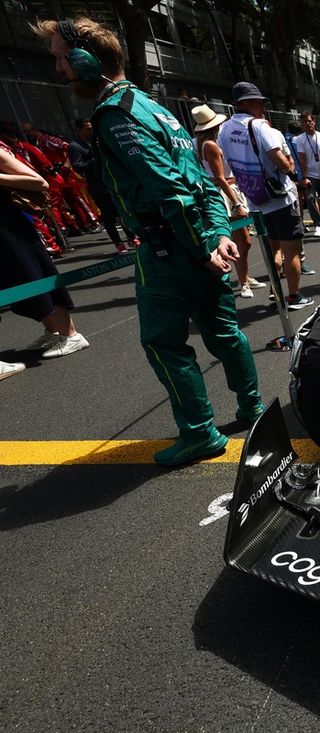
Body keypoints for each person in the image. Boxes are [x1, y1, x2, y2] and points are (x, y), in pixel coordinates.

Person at [34, 17, 263, 467]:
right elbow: (200, 184)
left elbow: (173, 190)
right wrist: (217, 234)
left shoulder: (116, 114)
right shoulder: (152, 106)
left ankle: (199, 433)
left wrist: (204, 245)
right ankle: (253, 407)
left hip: (170, 250)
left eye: (62, 57)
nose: (59, 68)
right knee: (224, 333)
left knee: (163, 342)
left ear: (85, 60)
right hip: (196, 242)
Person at [219, 81, 313, 310]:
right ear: (246, 103)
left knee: (273, 248)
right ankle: (293, 297)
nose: (262, 107)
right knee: (291, 249)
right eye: (259, 102)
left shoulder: (224, 130)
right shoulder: (260, 126)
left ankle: (276, 293)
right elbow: (280, 162)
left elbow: (225, 168)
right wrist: (290, 167)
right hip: (279, 197)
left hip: (254, 199)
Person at [0, 137, 89, 361]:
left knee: (36, 277)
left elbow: (39, 182)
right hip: (5, 233)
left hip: (10, 229)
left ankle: (71, 335)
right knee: (19, 282)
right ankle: (54, 331)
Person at [190, 104, 263, 299]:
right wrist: (237, 202)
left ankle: (243, 276)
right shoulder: (211, 145)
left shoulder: (194, 142)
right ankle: (243, 282)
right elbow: (220, 177)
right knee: (241, 241)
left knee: (235, 241)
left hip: (216, 192)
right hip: (224, 193)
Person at [68, 117, 138, 254]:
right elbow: (77, 167)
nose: (91, 131)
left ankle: (131, 237)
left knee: (122, 211)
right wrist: (95, 160)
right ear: (80, 130)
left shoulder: (99, 140)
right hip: (97, 186)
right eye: (88, 129)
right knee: (108, 216)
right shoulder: (75, 146)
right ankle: (118, 243)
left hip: (112, 182)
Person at [294, 113, 320, 239]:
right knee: (310, 198)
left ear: (314, 122)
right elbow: (302, 160)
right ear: (302, 124)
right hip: (311, 175)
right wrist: (304, 177)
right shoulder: (299, 139)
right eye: (304, 121)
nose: (308, 123)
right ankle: (317, 225)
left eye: (309, 121)